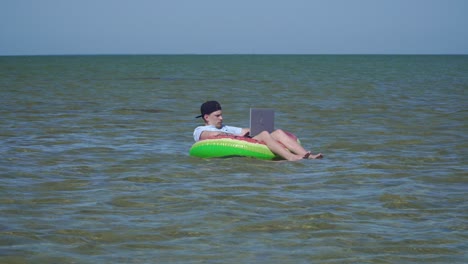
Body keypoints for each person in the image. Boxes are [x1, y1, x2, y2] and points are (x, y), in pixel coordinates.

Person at [193, 101, 323, 161]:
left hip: (244, 140)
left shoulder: (226, 127)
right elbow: (210, 135)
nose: (221, 118)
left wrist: (253, 129)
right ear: (206, 117)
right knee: (265, 134)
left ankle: (308, 155)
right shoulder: (200, 129)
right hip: (229, 144)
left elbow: (245, 130)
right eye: (217, 116)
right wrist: (234, 135)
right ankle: (291, 157)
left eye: (221, 114)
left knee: (277, 132)